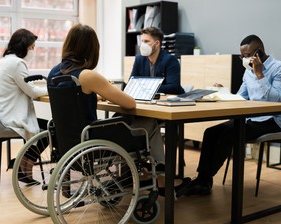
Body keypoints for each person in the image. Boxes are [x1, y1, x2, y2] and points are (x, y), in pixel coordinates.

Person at [48, 23, 190, 196]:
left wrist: (100, 92)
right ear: (92, 49)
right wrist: (106, 88)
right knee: (149, 123)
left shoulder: (54, 73)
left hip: (70, 141)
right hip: (92, 139)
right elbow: (130, 104)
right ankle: (160, 178)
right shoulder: (88, 75)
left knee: (126, 120)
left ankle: (139, 174)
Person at [186, 34, 281, 195]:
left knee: (229, 133)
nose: (244, 59)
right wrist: (222, 90)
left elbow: (277, 99)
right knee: (211, 132)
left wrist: (260, 74)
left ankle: (203, 180)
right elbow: (241, 97)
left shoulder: (278, 67)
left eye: (247, 56)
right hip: (249, 119)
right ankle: (203, 179)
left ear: (259, 52)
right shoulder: (248, 72)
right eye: (242, 56)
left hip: (271, 120)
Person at [0, 28, 48, 185]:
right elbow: (32, 91)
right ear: (23, 47)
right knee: (52, 129)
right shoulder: (17, 63)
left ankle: (21, 164)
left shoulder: (4, 61)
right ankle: (24, 166)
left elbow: (26, 87)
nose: (33, 51)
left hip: (1, 115)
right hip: (10, 117)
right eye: (31, 47)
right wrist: (52, 89)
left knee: (47, 127)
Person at [130, 27, 185, 95]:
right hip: (149, 99)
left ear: (157, 44)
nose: (143, 45)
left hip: (172, 101)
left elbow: (173, 88)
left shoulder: (170, 60)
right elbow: (132, 83)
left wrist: (147, 87)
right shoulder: (139, 59)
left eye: (146, 41)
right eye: (142, 41)